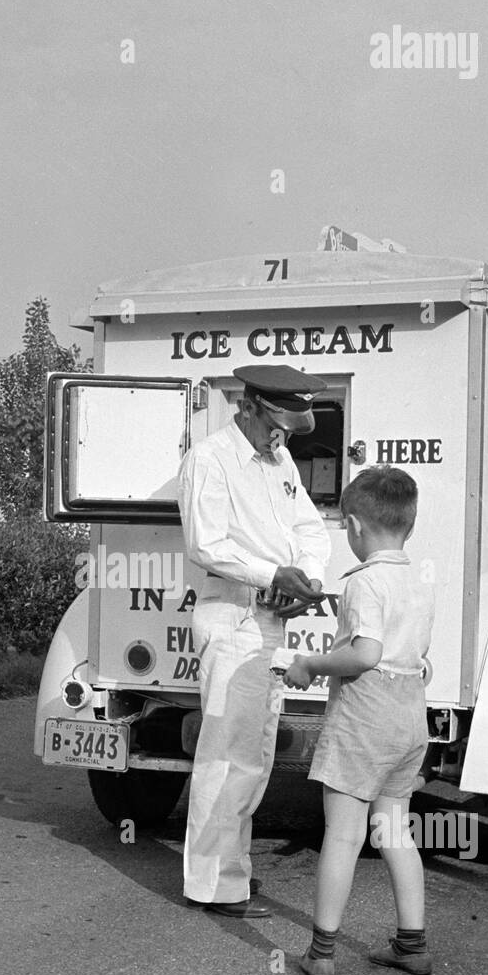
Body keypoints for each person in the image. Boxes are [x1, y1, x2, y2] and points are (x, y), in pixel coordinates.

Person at [177, 364, 330, 918]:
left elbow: (310, 529)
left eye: (291, 425)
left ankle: (230, 872)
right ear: (247, 404)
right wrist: (272, 577)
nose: (283, 435)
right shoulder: (209, 460)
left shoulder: (279, 459)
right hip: (234, 616)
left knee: (255, 755)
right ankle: (214, 885)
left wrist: (306, 579)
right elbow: (205, 544)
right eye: (276, 423)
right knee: (226, 755)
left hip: (269, 620)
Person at [283, 466, 436, 975]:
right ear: (408, 527)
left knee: (344, 836)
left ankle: (322, 953)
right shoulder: (419, 583)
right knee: (395, 829)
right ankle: (411, 945)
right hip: (410, 714)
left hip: (366, 715)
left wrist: (312, 664)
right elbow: (420, 656)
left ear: (352, 526)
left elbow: (366, 653)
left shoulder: (363, 585)